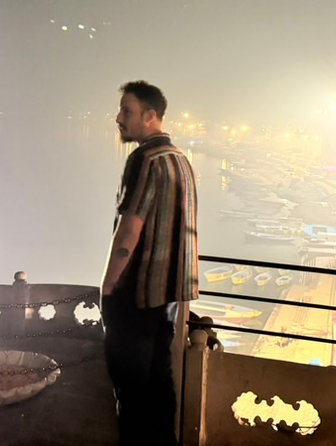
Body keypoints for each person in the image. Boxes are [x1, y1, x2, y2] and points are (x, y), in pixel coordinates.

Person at [102, 80, 198, 446]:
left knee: (130, 388)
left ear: (150, 116)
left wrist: (108, 286)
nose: (119, 118)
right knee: (160, 383)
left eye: (127, 111)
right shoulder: (180, 160)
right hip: (169, 296)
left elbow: (129, 232)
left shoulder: (143, 160)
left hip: (137, 295)